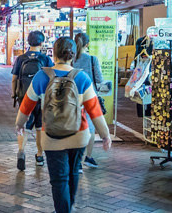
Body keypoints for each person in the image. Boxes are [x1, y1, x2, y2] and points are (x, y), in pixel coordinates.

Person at [15, 37, 112, 213]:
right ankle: (68, 208)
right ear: (73, 55)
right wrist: (105, 135)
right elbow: (95, 111)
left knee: (59, 180)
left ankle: (63, 210)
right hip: (78, 134)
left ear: (53, 52)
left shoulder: (41, 76)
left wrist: (19, 124)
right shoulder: (82, 77)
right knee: (73, 172)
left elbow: (26, 105)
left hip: (51, 136)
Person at [12, 30, 54, 171]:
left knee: (23, 126)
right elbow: (51, 78)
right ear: (41, 43)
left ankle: (21, 151)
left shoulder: (21, 58)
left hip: (25, 97)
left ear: (28, 42)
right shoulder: (45, 59)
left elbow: (14, 78)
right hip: (41, 98)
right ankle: (39, 156)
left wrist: (14, 94)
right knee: (39, 128)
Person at [72, 33, 106, 170]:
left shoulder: (70, 59)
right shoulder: (92, 59)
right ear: (87, 44)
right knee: (90, 129)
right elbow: (99, 79)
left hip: (72, 97)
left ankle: (76, 161)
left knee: (74, 127)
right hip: (89, 97)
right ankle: (88, 157)